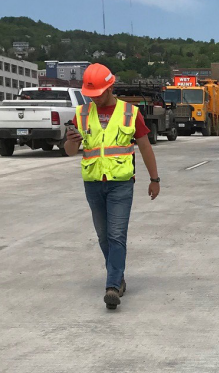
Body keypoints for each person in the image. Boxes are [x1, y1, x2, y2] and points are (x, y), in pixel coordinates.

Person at [64, 63, 160, 310]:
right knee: (103, 235)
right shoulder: (82, 113)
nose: (94, 99)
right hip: (93, 184)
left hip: (121, 185)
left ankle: (112, 287)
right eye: (90, 95)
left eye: (98, 94)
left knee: (117, 235)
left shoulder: (130, 112)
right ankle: (118, 278)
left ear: (110, 87)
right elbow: (70, 151)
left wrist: (154, 179)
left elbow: (145, 147)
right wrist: (71, 142)